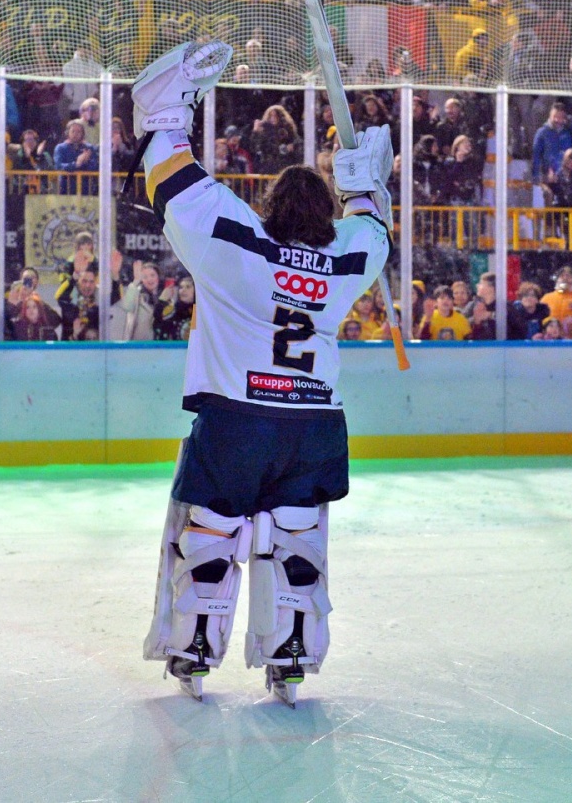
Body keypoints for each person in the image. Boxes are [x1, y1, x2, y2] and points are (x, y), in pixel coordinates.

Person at [133, 40, 390, 705]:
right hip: (312, 426)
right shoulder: (341, 267)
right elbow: (375, 233)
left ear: (270, 205)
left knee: (213, 534)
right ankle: (291, 653)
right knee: (296, 542)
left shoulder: (243, 244)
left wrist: (167, 119)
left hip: (237, 420)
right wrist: (366, 188)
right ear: (326, 215)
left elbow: (173, 184)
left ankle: (194, 649)